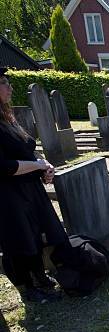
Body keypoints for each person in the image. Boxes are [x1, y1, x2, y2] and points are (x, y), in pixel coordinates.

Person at [0, 67, 67, 302]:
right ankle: (28, 287)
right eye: (4, 83)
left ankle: (41, 277)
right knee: (19, 239)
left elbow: (28, 149)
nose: (10, 88)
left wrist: (44, 167)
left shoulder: (7, 118)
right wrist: (38, 166)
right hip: (8, 195)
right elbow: (5, 166)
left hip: (30, 189)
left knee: (35, 234)